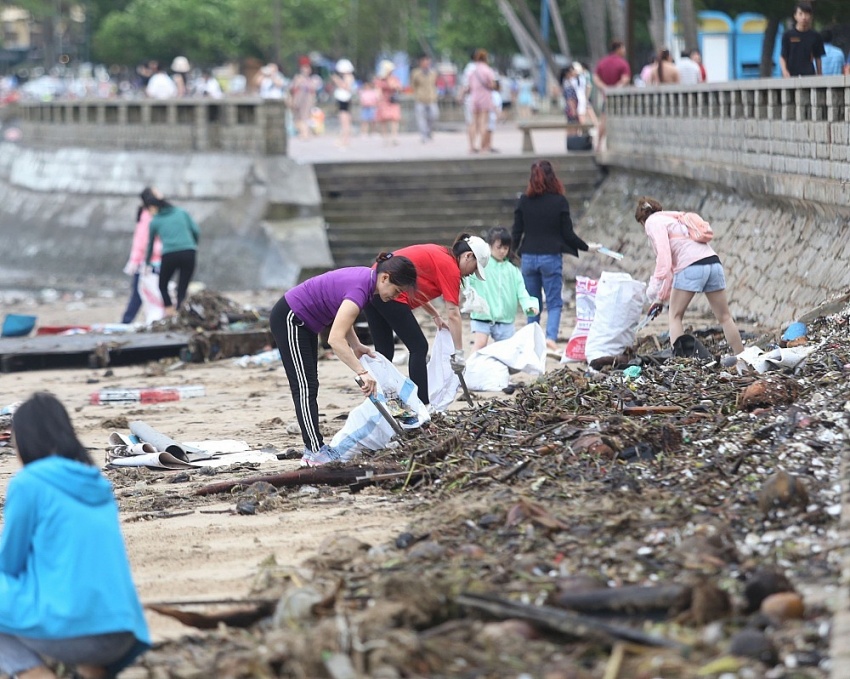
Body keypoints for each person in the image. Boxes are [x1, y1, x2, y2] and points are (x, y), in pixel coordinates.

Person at [0, 392, 150, 679]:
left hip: (73, 631)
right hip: (124, 632)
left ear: (25, 440)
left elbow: (9, 563)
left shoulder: (29, 483)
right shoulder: (96, 481)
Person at [269, 254, 417, 466]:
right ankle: (314, 451)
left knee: (310, 384)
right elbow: (335, 340)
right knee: (304, 387)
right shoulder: (361, 288)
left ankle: (315, 448)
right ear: (385, 278)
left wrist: (356, 345)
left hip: (306, 323)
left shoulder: (367, 283)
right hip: (291, 318)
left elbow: (341, 317)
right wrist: (362, 372)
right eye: (396, 291)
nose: (395, 296)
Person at [365, 234, 490, 406]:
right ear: (468, 256)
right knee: (418, 347)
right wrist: (459, 354)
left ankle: (383, 402)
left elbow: (418, 286)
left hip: (373, 286)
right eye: (474, 268)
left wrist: (435, 315)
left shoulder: (441, 254)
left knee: (384, 352)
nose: (471, 274)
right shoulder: (450, 267)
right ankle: (422, 405)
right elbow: (453, 313)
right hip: (388, 291)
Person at [634, 197, 744, 358]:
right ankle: (743, 358)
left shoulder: (652, 222)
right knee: (725, 317)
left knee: (675, 316)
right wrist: (660, 300)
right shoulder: (675, 219)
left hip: (691, 267)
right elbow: (671, 271)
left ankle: (681, 362)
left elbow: (664, 260)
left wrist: (653, 287)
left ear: (642, 220)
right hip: (713, 263)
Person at [512, 160, 600, 352]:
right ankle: (550, 338)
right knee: (553, 302)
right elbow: (567, 234)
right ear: (553, 177)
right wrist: (586, 247)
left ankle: (531, 338)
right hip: (550, 258)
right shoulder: (559, 202)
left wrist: (510, 254)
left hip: (528, 258)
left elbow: (516, 232)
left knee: (532, 302)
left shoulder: (524, 201)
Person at [466, 227, 539, 351]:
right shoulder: (481, 265)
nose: (502, 251)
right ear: (489, 246)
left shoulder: (513, 270)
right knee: (480, 344)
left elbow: (521, 291)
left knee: (507, 351)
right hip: (482, 315)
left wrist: (529, 305)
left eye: (505, 248)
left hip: (505, 319)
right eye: (498, 247)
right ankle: (469, 370)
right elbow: (467, 279)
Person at [144, 191, 200, 316]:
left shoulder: (155, 221)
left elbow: (150, 245)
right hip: (189, 252)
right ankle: (180, 312)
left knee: (162, 285)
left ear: (153, 207)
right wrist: (193, 245)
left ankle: (169, 310)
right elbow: (196, 230)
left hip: (170, 254)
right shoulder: (181, 212)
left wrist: (147, 262)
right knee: (182, 286)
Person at [120, 189, 162, 324]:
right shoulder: (148, 216)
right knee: (141, 295)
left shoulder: (152, 214)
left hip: (151, 262)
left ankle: (132, 321)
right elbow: (142, 242)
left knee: (145, 295)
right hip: (148, 263)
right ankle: (127, 322)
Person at [593, 40, 631, 150]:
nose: (624, 51)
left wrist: (604, 88)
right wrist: (615, 89)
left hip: (606, 97)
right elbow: (625, 79)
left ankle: (598, 145)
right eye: (623, 48)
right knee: (621, 121)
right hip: (619, 98)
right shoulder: (623, 63)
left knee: (603, 121)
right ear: (618, 49)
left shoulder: (602, 62)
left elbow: (595, 78)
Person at [780, 3, 825, 78]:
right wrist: (784, 71)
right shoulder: (788, 35)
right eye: (800, 14)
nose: (804, 17)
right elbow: (783, 56)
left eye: (807, 14)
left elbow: (818, 57)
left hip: (809, 74)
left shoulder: (816, 36)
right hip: (791, 74)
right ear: (795, 16)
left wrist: (819, 73)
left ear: (811, 16)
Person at [468, 49, 497, 153]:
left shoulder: (473, 71)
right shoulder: (487, 70)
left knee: (473, 122)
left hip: (474, 97)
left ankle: (471, 146)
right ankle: (483, 147)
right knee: (483, 123)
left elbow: (469, 85)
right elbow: (492, 84)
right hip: (485, 97)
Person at [290, 56, 321, 140]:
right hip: (298, 100)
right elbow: (292, 89)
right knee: (297, 118)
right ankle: (303, 132)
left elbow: (314, 89)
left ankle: (305, 133)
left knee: (305, 117)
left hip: (307, 100)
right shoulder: (297, 78)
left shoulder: (313, 79)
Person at [411, 54, 439, 143]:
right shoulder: (416, 73)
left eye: (428, 61)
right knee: (421, 119)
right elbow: (413, 85)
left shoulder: (433, 73)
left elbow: (435, 84)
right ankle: (423, 135)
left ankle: (429, 131)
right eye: (424, 61)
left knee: (434, 116)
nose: (426, 63)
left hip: (431, 98)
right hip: (420, 99)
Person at [376, 60, 402, 145]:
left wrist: (393, 85)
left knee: (394, 119)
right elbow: (378, 90)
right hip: (384, 101)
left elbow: (399, 87)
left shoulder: (394, 78)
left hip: (393, 100)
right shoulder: (380, 79)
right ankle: (385, 137)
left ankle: (394, 137)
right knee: (383, 120)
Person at [332, 59, 356, 148]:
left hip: (344, 100)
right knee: (344, 120)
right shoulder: (348, 77)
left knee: (344, 121)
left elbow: (346, 87)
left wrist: (336, 80)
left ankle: (345, 139)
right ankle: (344, 139)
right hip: (343, 99)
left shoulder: (348, 77)